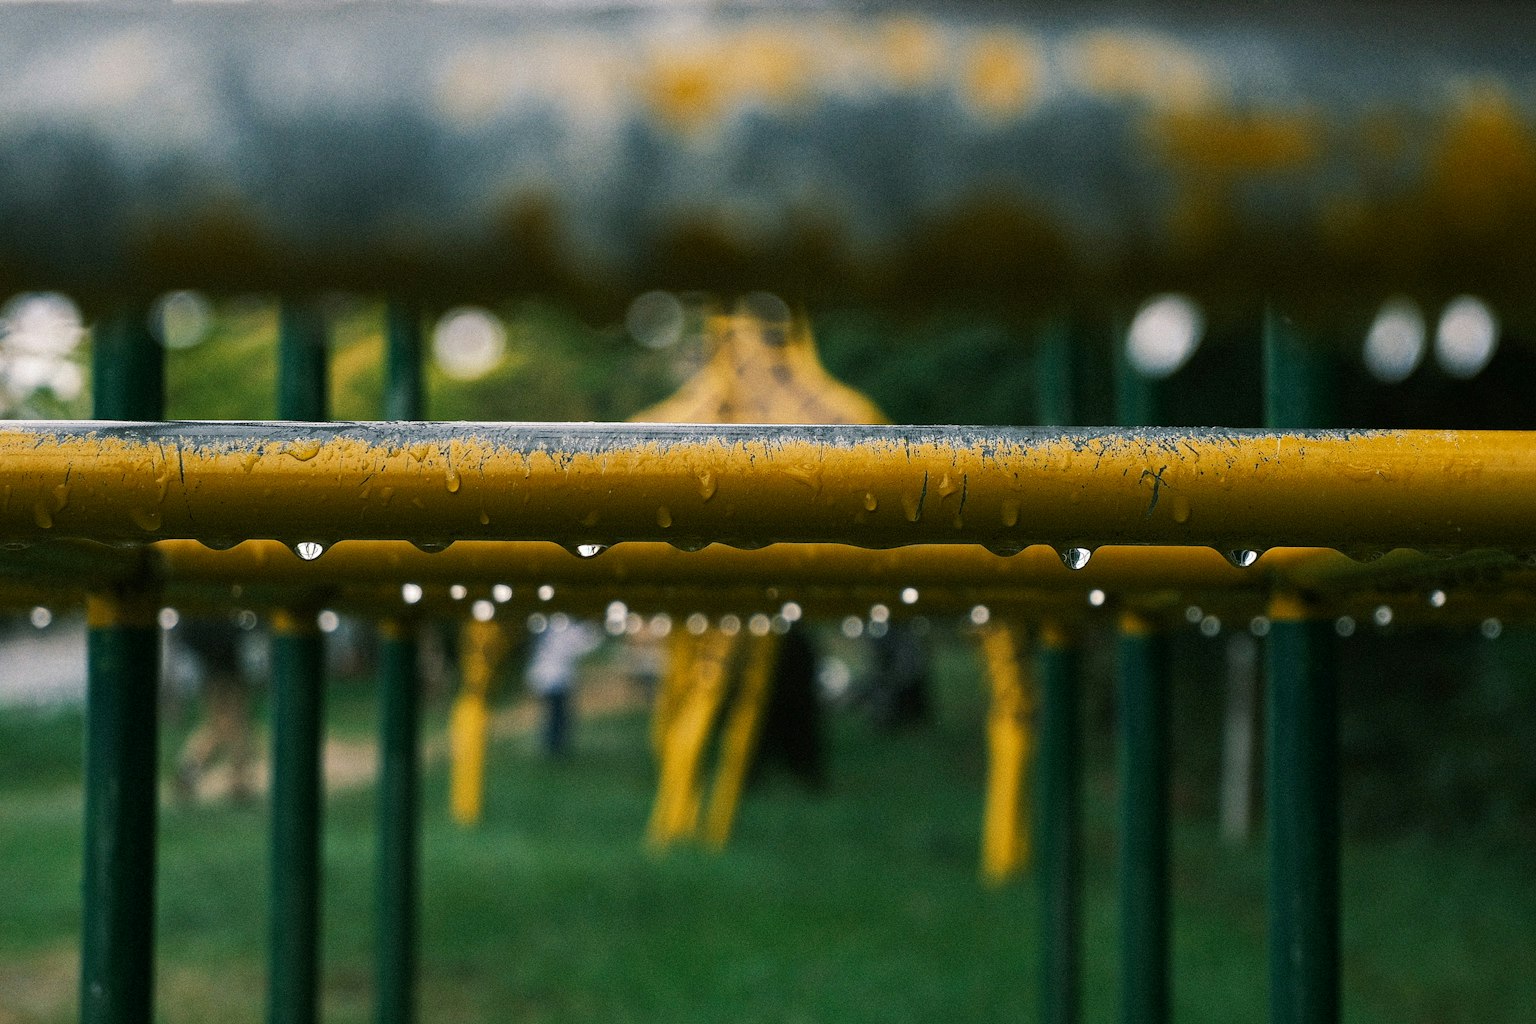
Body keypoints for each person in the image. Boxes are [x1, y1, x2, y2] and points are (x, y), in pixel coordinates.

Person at [173, 615, 255, 803]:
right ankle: (237, 781)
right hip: (223, 671)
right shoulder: (218, 616)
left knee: (226, 726)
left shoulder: (204, 617)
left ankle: (236, 780)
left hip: (216, 670)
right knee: (230, 726)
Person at [524, 618, 602, 757]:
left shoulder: (550, 628)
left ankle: (553, 746)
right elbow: (583, 644)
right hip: (556, 679)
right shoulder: (563, 628)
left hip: (547, 678)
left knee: (554, 714)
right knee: (558, 715)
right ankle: (555, 747)